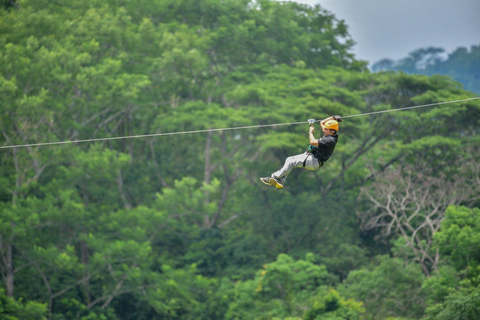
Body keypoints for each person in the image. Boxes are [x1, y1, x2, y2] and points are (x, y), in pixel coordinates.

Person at [260, 116, 340, 189]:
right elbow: (321, 122)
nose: (324, 130)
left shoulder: (330, 140)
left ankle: (274, 177)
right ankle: (281, 180)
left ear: (332, 131)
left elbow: (312, 142)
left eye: (326, 129)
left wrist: (310, 132)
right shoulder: (329, 134)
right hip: (312, 158)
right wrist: (333, 118)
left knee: (291, 162)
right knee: (290, 160)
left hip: (314, 161)